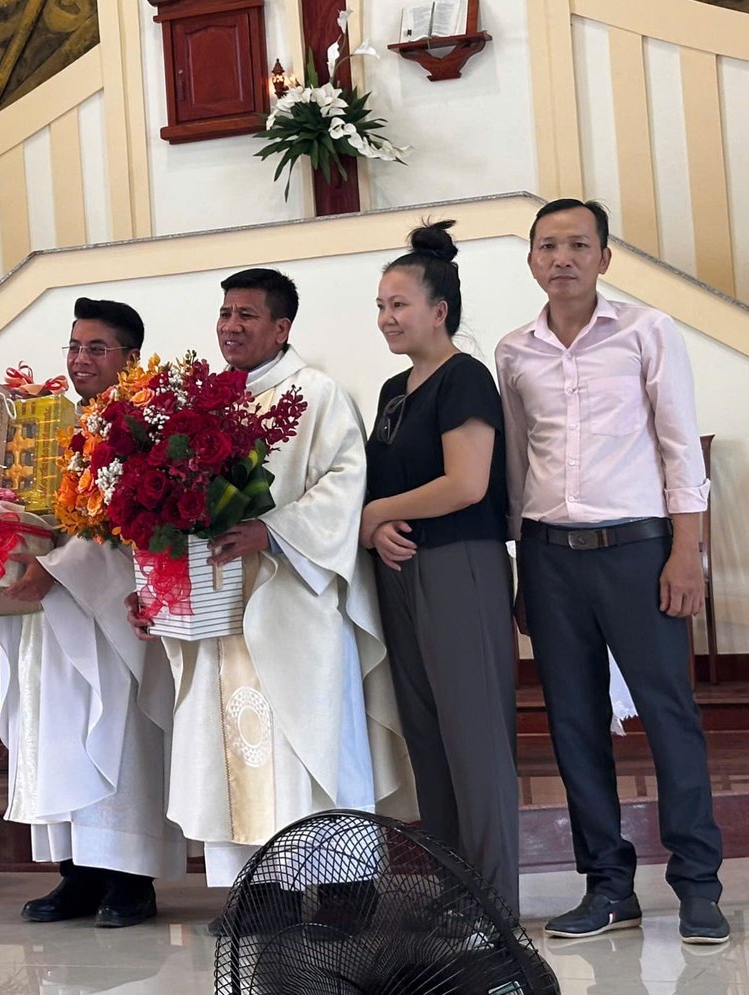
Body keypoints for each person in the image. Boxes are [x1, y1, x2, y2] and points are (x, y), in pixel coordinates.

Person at [132, 268, 413, 896]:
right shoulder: (199, 406)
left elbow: (346, 487)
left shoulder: (319, 395)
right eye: (225, 313)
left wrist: (272, 531)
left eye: (247, 315)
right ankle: (258, 894)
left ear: (282, 327)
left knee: (313, 742)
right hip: (218, 610)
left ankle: (344, 892)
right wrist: (157, 586)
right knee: (227, 751)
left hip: (296, 605)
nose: (230, 326)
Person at [496, 198, 728, 945]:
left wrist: (686, 550)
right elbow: (516, 462)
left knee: (669, 715)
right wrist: (521, 567)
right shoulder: (514, 351)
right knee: (572, 724)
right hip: (548, 556)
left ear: (603, 257)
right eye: (547, 245)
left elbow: (679, 446)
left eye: (577, 244)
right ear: (531, 259)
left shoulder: (646, 330)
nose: (561, 258)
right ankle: (607, 886)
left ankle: (698, 885)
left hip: (637, 549)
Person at [0, 297, 185, 928]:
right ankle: (78, 873)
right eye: (74, 347)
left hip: (111, 610)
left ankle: (130, 878)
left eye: (96, 348)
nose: (80, 360)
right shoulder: (52, 424)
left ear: (131, 357)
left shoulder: (146, 427)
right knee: (60, 735)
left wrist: (58, 566)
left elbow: (133, 528)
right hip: (51, 615)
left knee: (118, 734)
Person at [360, 222, 519, 911]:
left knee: (474, 739)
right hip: (401, 574)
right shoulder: (393, 390)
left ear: (439, 310)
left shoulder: (466, 377)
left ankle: (495, 905)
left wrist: (377, 513)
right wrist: (374, 527)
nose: (386, 318)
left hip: (461, 567)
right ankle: (455, 892)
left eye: (399, 304)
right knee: (428, 738)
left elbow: (467, 483)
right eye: (381, 305)